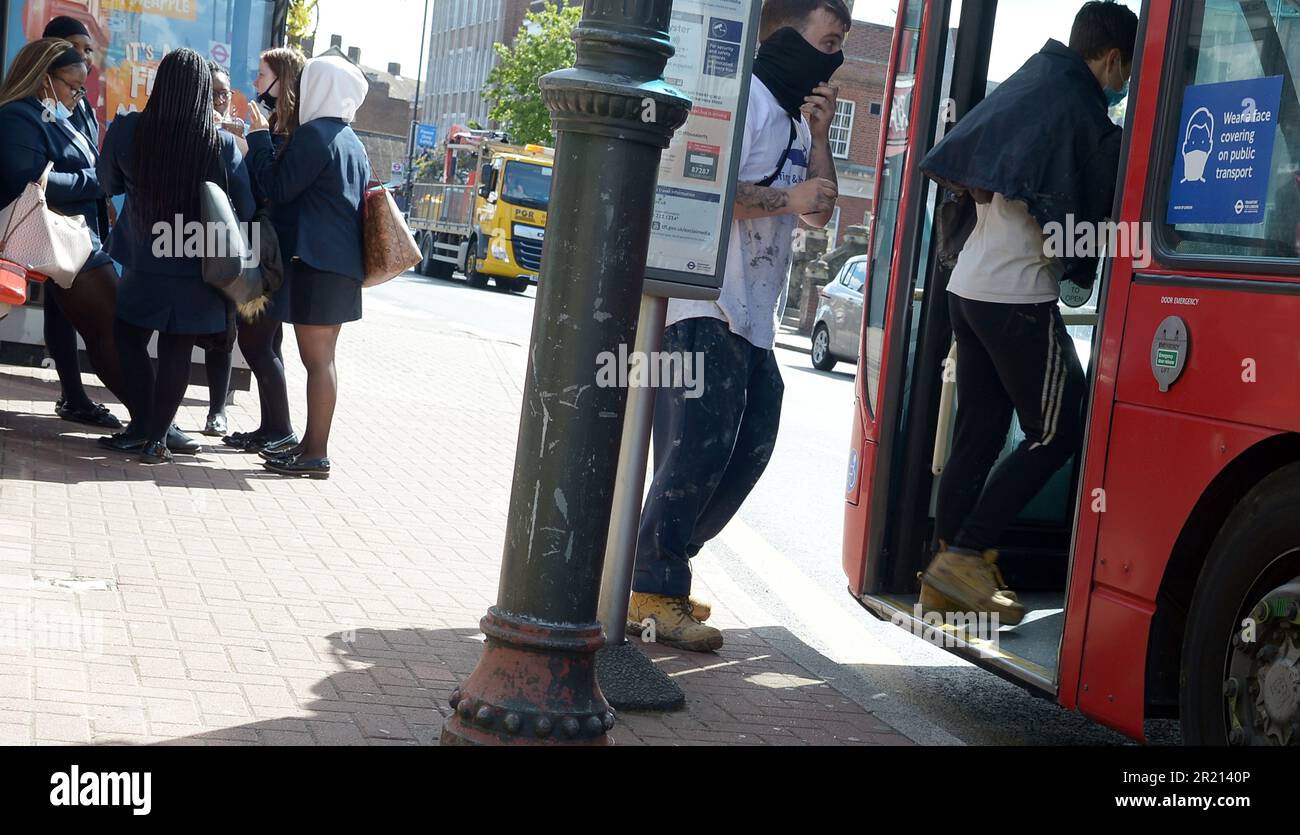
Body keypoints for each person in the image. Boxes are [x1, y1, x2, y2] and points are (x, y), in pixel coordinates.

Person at [628, 0, 848, 651]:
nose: (835, 60)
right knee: (698, 445)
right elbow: (708, 188)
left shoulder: (796, 117)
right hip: (705, 303)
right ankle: (652, 580)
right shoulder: (743, 101)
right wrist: (789, 198)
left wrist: (823, 136)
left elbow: (820, 211)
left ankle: (661, 564)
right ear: (789, 37)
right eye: (828, 41)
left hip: (755, 317)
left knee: (751, 442)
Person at [916, 1, 1138, 623]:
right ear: (1114, 58)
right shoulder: (1081, 112)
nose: (1125, 87)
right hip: (1015, 295)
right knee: (1060, 429)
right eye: (1128, 72)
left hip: (969, 286)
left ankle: (946, 575)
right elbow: (1078, 228)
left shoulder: (1030, 83)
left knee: (980, 432)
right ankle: (962, 559)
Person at [96, 48, 255, 464]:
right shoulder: (221, 145)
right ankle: (157, 439)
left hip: (143, 257)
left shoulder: (129, 130)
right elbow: (246, 206)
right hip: (196, 263)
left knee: (128, 337)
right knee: (177, 350)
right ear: (205, 91)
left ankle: (144, 423)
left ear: (159, 83)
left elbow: (107, 179)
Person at [244, 54, 370, 479]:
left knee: (317, 362)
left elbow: (276, 188)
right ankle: (308, 447)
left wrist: (260, 139)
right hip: (338, 266)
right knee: (323, 360)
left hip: (316, 264)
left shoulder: (315, 135)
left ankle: (315, 453)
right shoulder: (351, 140)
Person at [0, 38, 129, 426]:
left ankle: (149, 420)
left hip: (72, 238)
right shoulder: (16, 117)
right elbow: (35, 182)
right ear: (44, 79)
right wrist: (100, 182)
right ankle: (151, 421)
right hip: (56, 239)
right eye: (73, 86)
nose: (79, 96)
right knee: (110, 326)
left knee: (108, 329)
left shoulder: (57, 114)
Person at [222, 46, 305, 457]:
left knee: (255, 342)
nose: (255, 83)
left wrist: (254, 139)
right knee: (267, 343)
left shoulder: (291, 131)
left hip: (272, 252)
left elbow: (273, 187)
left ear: (281, 81)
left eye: (262, 75)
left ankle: (283, 430)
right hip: (266, 246)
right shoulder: (277, 125)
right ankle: (271, 427)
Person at [197, 61, 243, 438]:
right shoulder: (187, 133)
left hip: (220, 248)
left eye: (225, 93)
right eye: (212, 92)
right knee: (176, 332)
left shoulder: (236, 139)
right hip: (180, 241)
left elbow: (246, 194)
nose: (220, 100)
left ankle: (217, 411)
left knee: (222, 334)